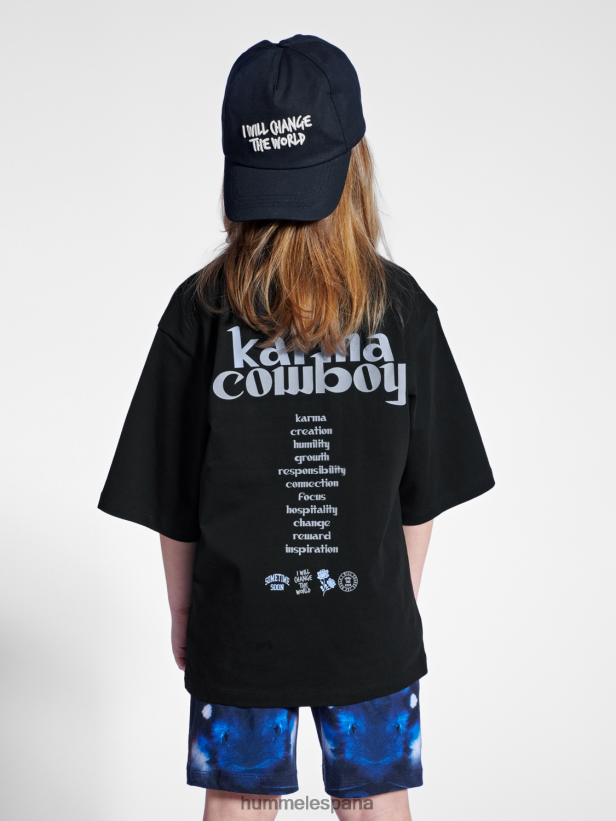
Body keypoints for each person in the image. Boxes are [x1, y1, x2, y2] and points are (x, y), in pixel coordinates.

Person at [98, 34, 495, 821]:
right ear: (354, 166)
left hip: (240, 626)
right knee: (375, 801)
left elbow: (173, 497)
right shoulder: (400, 309)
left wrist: (186, 614)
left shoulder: (200, 310)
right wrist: (387, 610)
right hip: (369, 623)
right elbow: (421, 496)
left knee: (238, 801)